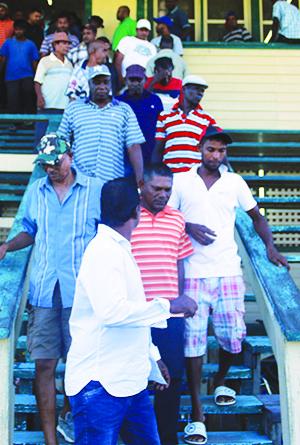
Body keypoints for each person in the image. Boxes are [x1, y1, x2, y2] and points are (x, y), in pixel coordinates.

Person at [168, 128, 288, 444]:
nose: (217, 156)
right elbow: (165, 214)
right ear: (200, 148)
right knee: (192, 344)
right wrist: (187, 224)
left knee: (233, 338)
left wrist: (270, 248)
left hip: (228, 272)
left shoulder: (234, 182)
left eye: (222, 151)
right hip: (192, 272)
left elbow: (256, 217)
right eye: (211, 150)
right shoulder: (181, 180)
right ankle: (197, 411)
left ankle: (220, 379)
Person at [0, 134, 103, 445]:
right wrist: (6, 247)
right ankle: (51, 441)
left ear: (70, 156)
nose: (52, 169)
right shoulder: (37, 191)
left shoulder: (95, 189)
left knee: (82, 365)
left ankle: (73, 421)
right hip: (45, 291)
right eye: (46, 165)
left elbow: (109, 236)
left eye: (57, 162)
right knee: (45, 365)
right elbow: (29, 231)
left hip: (83, 293)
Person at [65, 177, 197, 445]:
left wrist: (152, 357)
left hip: (131, 384)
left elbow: (131, 312)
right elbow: (112, 313)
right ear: (137, 210)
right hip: (100, 384)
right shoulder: (103, 251)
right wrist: (170, 305)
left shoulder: (119, 249)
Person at [132, 163, 194, 445]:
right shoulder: (129, 217)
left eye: (168, 190)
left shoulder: (177, 218)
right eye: (156, 188)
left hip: (170, 313)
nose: (163, 194)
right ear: (142, 185)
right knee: (135, 375)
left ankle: (165, 439)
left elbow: (180, 261)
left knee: (171, 378)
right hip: (136, 313)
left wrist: (179, 302)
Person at [58, 65, 145, 183]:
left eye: (105, 82)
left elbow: (134, 146)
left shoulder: (124, 109)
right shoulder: (74, 108)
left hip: (112, 180)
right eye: (97, 83)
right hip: (78, 180)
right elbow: (61, 141)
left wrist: (140, 180)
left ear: (111, 84)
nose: (102, 87)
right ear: (89, 84)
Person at [154, 75, 218, 173]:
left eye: (202, 91)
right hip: (171, 175)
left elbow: (215, 149)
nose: (200, 93)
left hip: (195, 175)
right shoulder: (165, 116)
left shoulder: (208, 119)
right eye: (196, 89)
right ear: (184, 89)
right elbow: (158, 150)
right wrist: (156, 173)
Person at [116, 65, 164, 174]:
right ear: (126, 80)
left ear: (146, 80)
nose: (135, 83)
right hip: (124, 160)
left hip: (150, 158)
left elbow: (161, 129)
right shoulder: (117, 102)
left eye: (139, 80)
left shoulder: (155, 100)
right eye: (132, 80)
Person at [34, 32, 73, 144]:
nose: (67, 46)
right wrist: (39, 98)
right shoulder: (45, 61)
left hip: (64, 107)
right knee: (41, 137)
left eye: (68, 43)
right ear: (55, 45)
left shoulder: (69, 64)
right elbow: (37, 82)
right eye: (64, 43)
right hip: (47, 105)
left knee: (60, 140)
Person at [0, 20, 40, 125]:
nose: (18, 31)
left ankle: (28, 118)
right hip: (11, 76)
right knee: (13, 98)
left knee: (28, 94)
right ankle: (14, 123)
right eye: (16, 29)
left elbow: (34, 61)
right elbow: (2, 59)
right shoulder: (8, 42)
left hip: (27, 75)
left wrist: (37, 77)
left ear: (24, 30)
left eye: (20, 29)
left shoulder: (30, 44)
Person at [114, 19, 157, 85]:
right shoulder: (126, 40)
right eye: (141, 30)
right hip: (127, 81)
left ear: (149, 32)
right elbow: (118, 60)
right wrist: (120, 79)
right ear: (137, 29)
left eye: (146, 30)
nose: (144, 32)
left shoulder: (152, 47)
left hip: (145, 83)